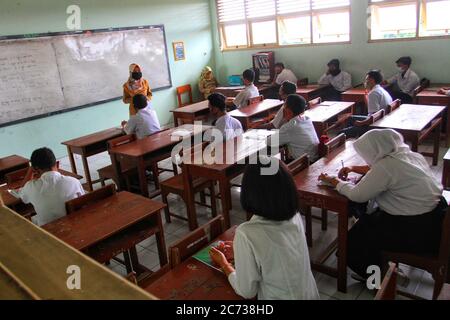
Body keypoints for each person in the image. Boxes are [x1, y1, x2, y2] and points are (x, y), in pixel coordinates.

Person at [318, 129, 446, 279]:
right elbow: (380, 170)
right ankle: (379, 268)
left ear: (375, 150)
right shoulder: (409, 156)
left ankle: (377, 279)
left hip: (414, 231)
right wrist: (353, 168)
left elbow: (357, 195)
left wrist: (334, 181)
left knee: (353, 242)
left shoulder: (386, 166)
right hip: (434, 221)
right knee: (366, 225)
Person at [209, 158, 319, 300]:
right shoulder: (294, 216)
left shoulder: (247, 233)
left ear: (250, 193)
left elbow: (247, 291)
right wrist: (240, 250)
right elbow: (275, 256)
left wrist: (223, 264)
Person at [17, 148, 85, 226]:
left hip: (48, 231)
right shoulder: (73, 181)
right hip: (75, 225)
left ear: (35, 169)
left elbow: (20, 194)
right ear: (57, 164)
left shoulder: (30, 187)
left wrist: (30, 171)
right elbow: (83, 202)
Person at [340, 70, 393, 138]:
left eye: (366, 79)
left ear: (371, 80)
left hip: (376, 125)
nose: (365, 82)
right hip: (382, 120)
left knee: (341, 133)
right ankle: (354, 134)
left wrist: (361, 123)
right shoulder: (380, 89)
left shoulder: (373, 93)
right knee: (350, 118)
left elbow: (374, 117)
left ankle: (355, 134)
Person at [268, 94, 319, 162]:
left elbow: (269, 142)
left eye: (284, 106)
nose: (283, 109)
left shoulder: (290, 127)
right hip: (312, 159)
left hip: (301, 165)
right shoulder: (307, 119)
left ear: (288, 111)